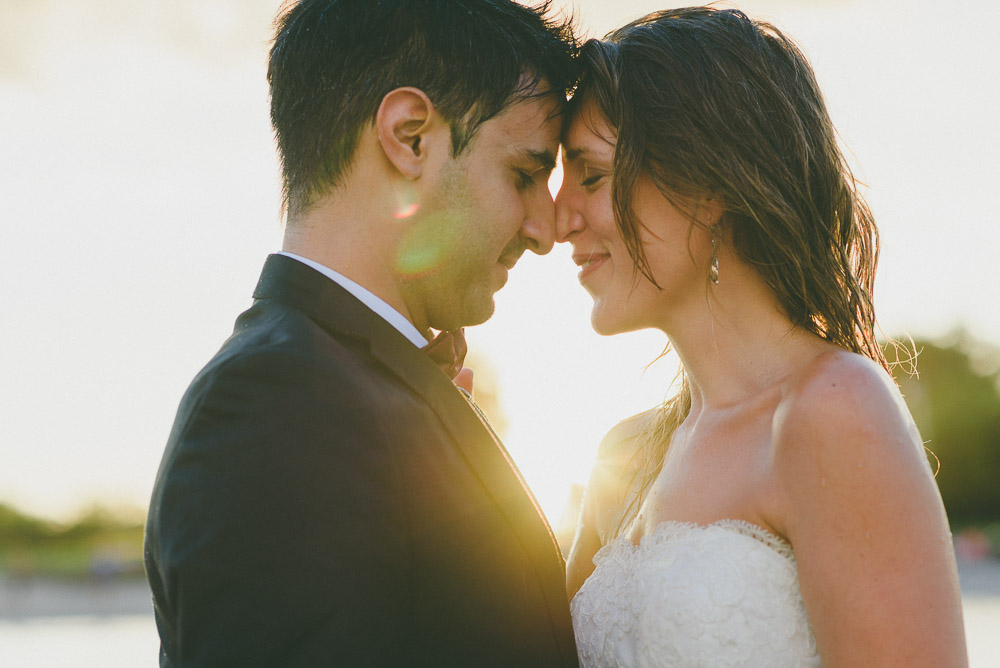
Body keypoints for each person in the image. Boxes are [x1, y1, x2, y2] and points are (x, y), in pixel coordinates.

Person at [143, 1, 580, 665]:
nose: (544, 230)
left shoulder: (335, 383)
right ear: (409, 136)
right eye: (524, 174)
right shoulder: (280, 403)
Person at [557, 7, 967, 666]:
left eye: (591, 175)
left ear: (709, 184)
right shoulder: (626, 457)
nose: (558, 219)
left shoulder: (833, 410)